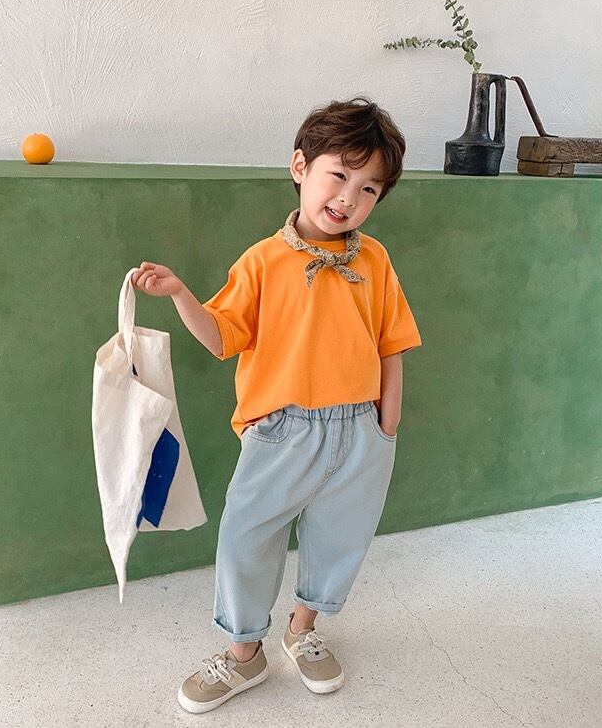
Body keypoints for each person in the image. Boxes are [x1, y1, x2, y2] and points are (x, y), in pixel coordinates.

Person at [131, 96, 422, 713]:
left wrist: (387, 423)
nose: (348, 197)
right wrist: (181, 293)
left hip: (362, 428)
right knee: (246, 536)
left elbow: (391, 342)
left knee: (341, 535)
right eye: (338, 175)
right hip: (283, 429)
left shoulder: (375, 260)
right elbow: (222, 338)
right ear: (300, 167)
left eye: (369, 189)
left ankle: (303, 628)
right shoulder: (263, 261)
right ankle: (244, 654)